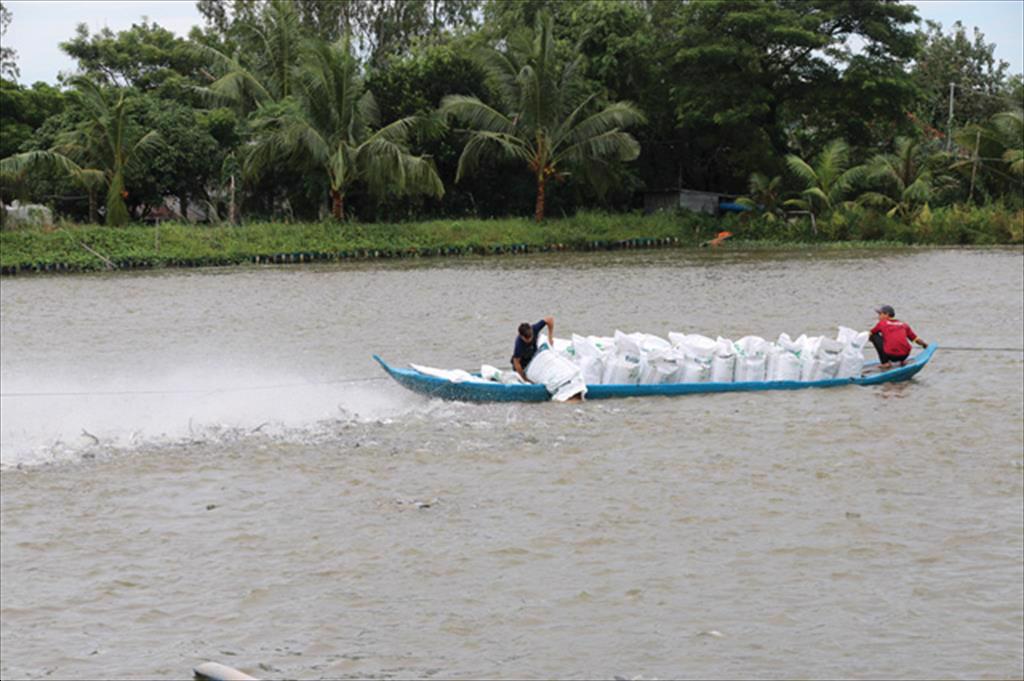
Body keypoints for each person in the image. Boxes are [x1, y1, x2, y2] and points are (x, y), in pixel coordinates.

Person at [869, 305, 927, 369]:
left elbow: (870, 334)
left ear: (887, 315)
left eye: (880, 314)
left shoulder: (882, 323)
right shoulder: (904, 324)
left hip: (891, 356)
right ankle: (902, 361)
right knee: (893, 337)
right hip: (905, 355)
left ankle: (885, 363)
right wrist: (925, 345)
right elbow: (916, 339)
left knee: (873, 336)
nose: (878, 317)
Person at [511, 316, 554, 382]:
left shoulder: (535, 328)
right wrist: (524, 378)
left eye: (531, 337)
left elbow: (550, 319)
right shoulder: (519, 344)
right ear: (521, 336)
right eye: (527, 339)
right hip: (522, 363)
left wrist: (550, 337)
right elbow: (516, 363)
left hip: (533, 355)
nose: (530, 340)